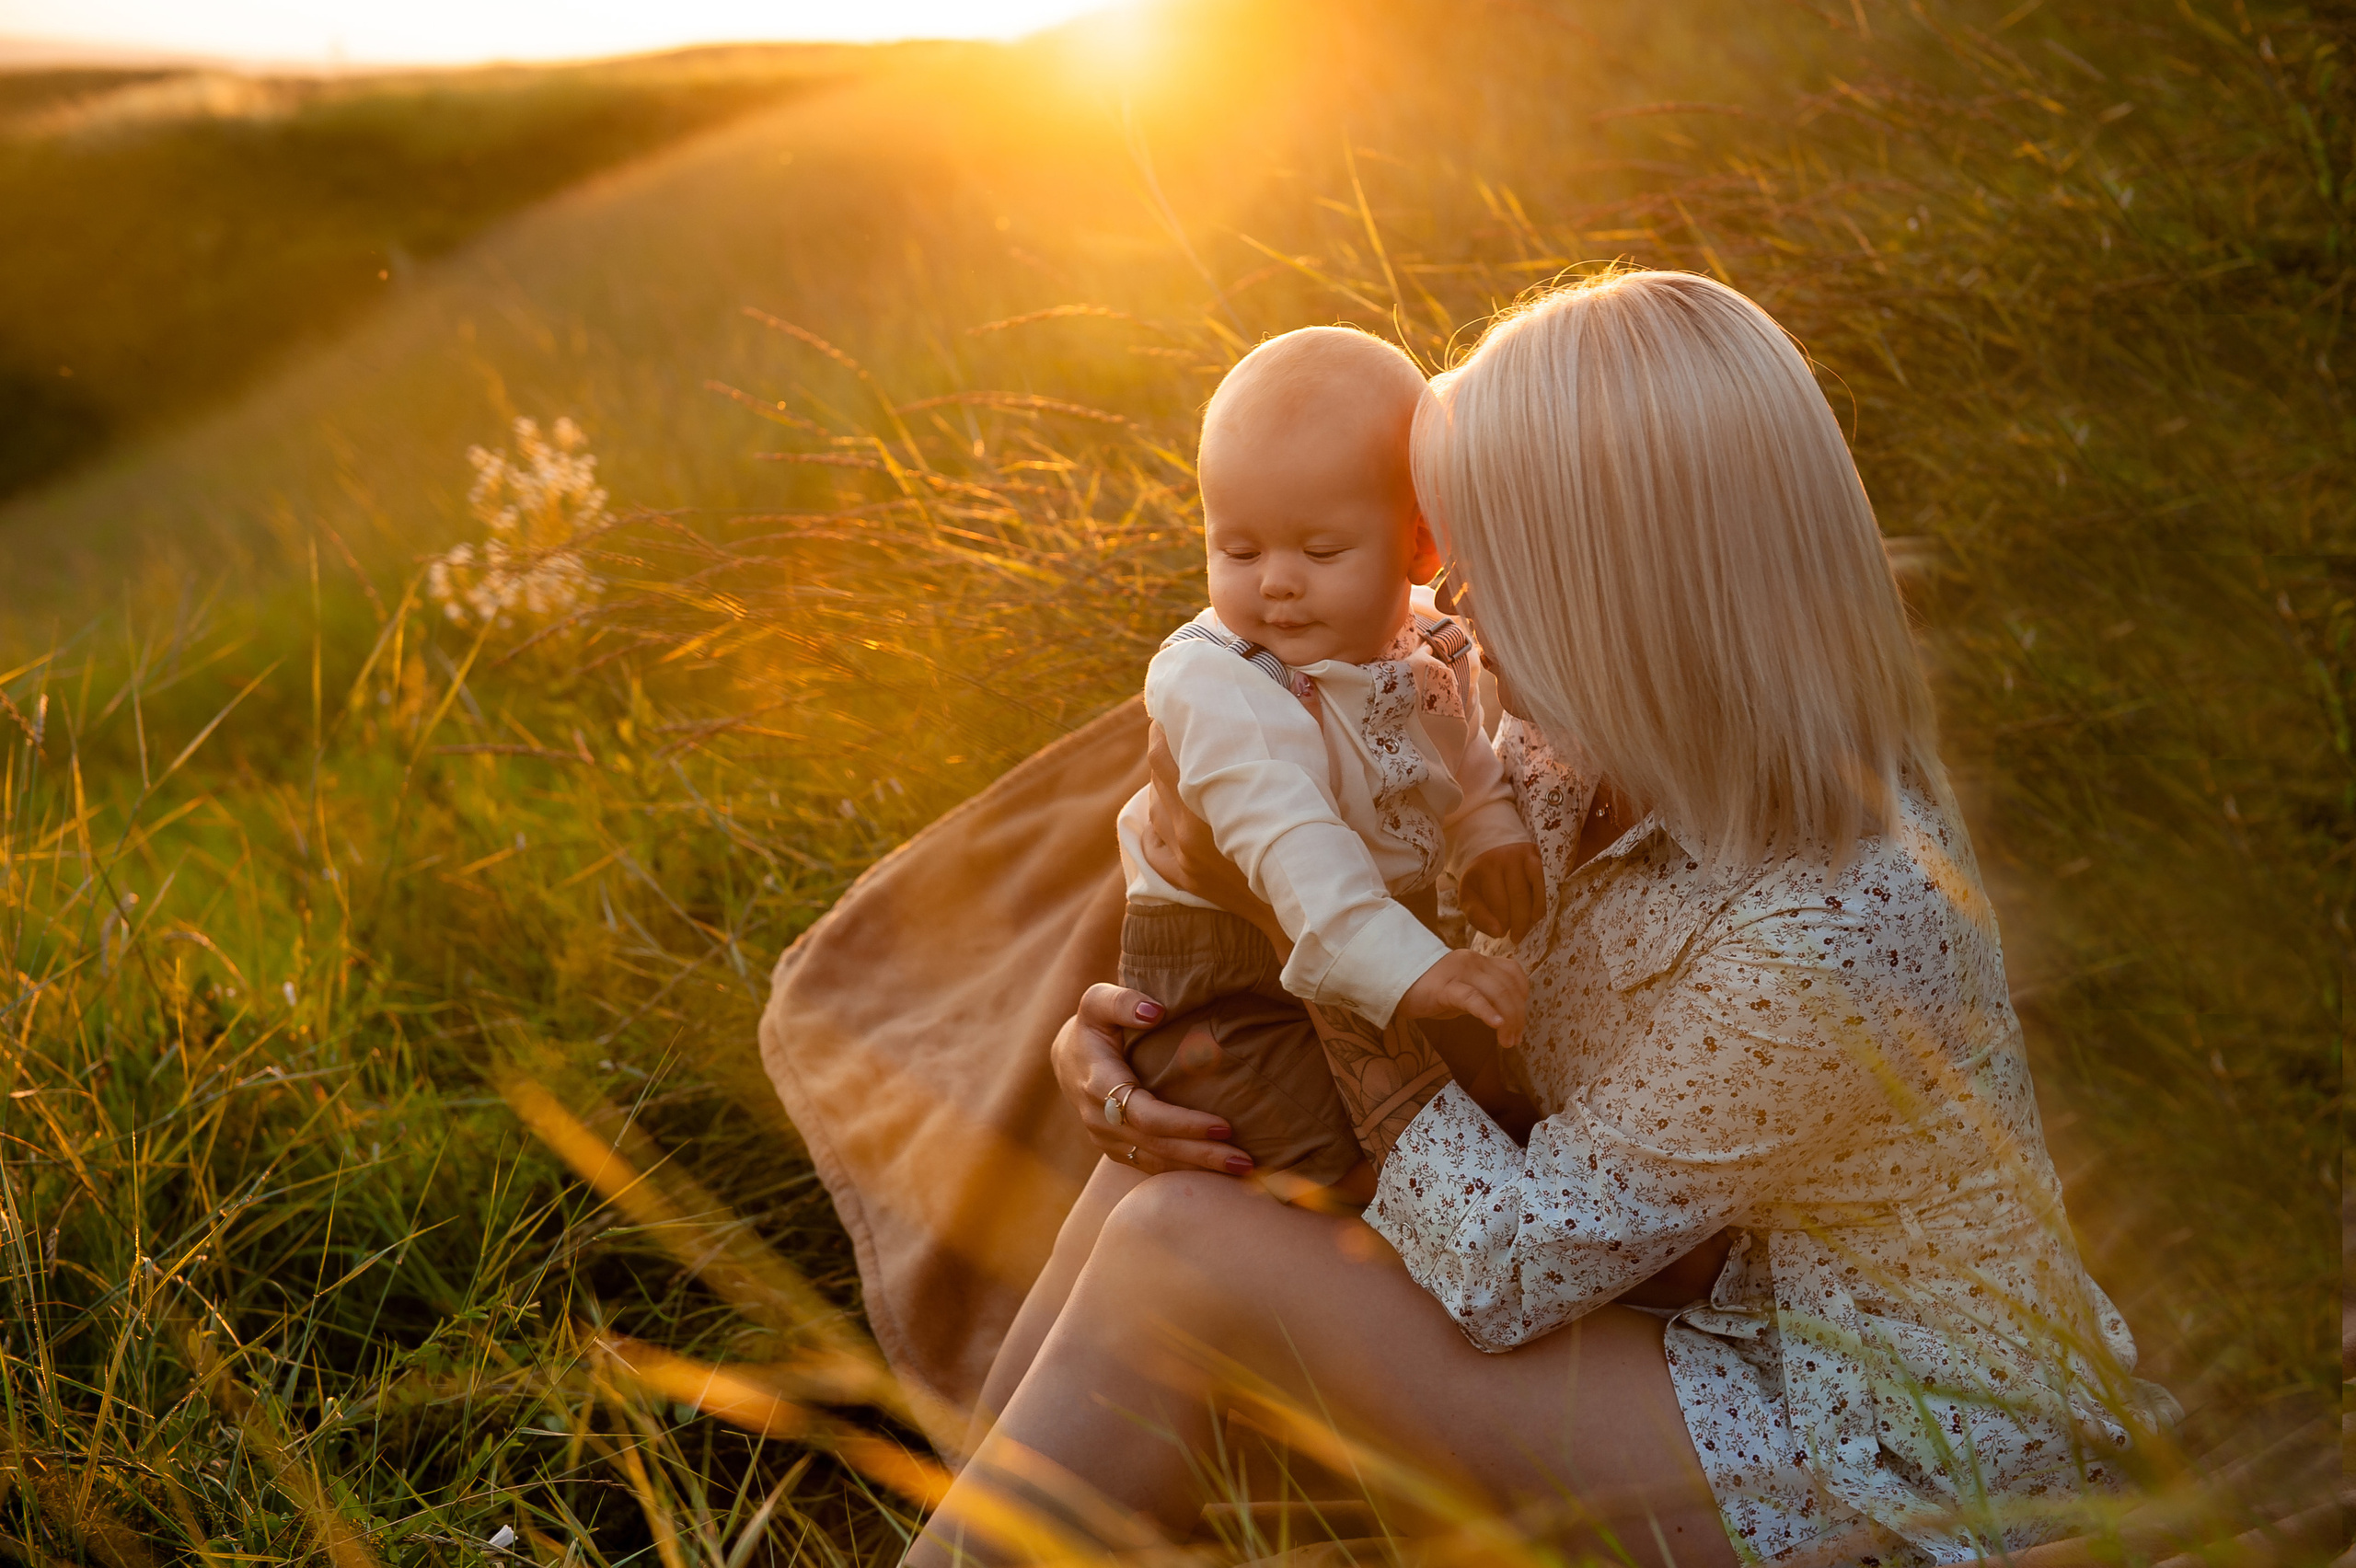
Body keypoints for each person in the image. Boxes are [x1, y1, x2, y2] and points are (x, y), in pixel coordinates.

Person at [924, 270, 2165, 1568]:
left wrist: (1316, 985)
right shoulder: (1579, 742)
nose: (1439, 616)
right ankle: (950, 1515)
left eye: (1468, 579)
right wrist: (1143, 1039)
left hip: (1869, 1447)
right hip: (1683, 1302)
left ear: (1609, 593)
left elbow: (1507, 1267)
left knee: (1190, 1245)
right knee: (1172, 1169)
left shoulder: (1834, 920)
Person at [1113, 325, 1542, 1204]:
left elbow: (1454, 758)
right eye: (1238, 549)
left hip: (1374, 926)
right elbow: (1291, 845)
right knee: (1326, 1163)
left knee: (1488, 1099)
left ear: (1417, 547)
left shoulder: (1427, 637)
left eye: (1319, 552)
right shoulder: (1220, 681)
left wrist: (1489, 833)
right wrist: (1418, 970)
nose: (1274, 583)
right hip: (1229, 980)